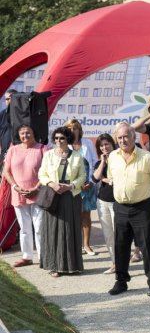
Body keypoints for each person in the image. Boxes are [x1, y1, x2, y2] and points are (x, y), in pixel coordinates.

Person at [107, 122, 150, 296]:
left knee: (147, 246)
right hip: (120, 207)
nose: (123, 140)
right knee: (121, 246)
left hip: (143, 207)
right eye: (119, 137)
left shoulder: (147, 157)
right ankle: (121, 281)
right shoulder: (113, 157)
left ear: (134, 137)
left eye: (126, 137)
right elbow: (111, 177)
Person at [38, 126, 86, 277]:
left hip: (70, 195)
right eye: (56, 138)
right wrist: (52, 184)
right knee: (53, 231)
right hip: (53, 195)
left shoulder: (77, 156)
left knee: (70, 230)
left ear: (68, 139)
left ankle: (72, 266)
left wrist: (71, 185)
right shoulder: (48, 155)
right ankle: (54, 266)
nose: (58, 141)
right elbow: (42, 174)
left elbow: (82, 176)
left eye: (62, 138)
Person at [3, 124, 47, 267]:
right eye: (22, 133)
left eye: (28, 132)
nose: (25, 136)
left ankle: (43, 257)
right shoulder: (13, 150)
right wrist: (15, 187)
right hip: (19, 195)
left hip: (38, 194)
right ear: (19, 135)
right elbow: (7, 172)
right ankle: (27, 257)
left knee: (39, 227)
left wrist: (36, 188)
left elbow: (48, 171)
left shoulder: (42, 149)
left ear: (33, 133)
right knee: (24, 228)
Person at [65, 118, 98, 256]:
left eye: (75, 128)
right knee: (73, 216)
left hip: (88, 186)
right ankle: (76, 245)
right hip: (72, 187)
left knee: (86, 216)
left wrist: (91, 181)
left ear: (80, 130)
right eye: (70, 128)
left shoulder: (88, 143)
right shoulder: (65, 145)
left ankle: (86, 245)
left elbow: (95, 163)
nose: (73, 130)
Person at [91, 133, 118, 274]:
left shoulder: (120, 159)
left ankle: (121, 262)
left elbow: (117, 179)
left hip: (117, 202)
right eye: (101, 145)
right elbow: (95, 178)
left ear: (112, 144)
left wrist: (106, 179)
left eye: (107, 144)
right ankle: (114, 263)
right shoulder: (99, 163)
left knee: (118, 233)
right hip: (102, 202)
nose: (104, 147)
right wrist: (102, 162)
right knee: (108, 235)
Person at [0, 89, 17, 171]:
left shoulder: (25, 114)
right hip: (4, 155)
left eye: (10, 98)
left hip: (19, 156)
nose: (8, 101)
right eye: (6, 99)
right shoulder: (2, 115)